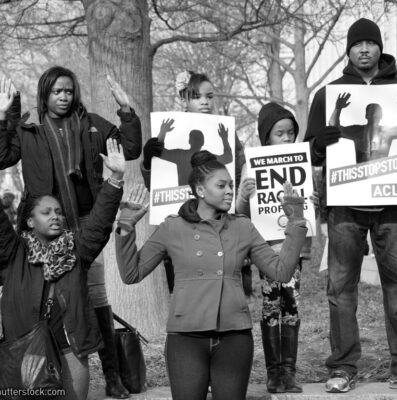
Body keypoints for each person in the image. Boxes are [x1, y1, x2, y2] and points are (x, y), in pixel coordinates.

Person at [114, 150, 307, 400]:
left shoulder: (242, 227)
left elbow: (281, 272)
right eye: (221, 185)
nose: (229, 191)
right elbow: (131, 273)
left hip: (234, 337)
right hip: (186, 338)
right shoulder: (172, 228)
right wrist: (126, 226)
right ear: (200, 190)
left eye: (231, 185)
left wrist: (296, 221)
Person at [0, 66, 142, 398]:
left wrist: (125, 110)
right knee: (43, 300)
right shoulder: (29, 128)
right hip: (40, 231)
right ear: (44, 94)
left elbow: (130, 149)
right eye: (56, 91)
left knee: (93, 298)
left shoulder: (91, 125)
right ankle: (36, 364)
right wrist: (4, 115)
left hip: (83, 227)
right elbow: (2, 155)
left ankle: (111, 374)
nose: (63, 97)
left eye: (68, 91)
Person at [304, 18, 397, 392]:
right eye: (357, 43)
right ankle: (342, 367)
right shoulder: (330, 94)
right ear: (348, 50)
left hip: (393, 207)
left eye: (370, 43)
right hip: (344, 206)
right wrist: (323, 136)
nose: (364, 49)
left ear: (380, 48)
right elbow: (310, 149)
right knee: (341, 288)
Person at [0, 139, 126, 400]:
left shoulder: (77, 248)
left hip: (71, 349)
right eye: (46, 212)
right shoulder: (14, 252)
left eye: (58, 212)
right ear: (30, 221)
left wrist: (115, 178)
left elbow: (100, 222)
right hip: (25, 351)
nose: (56, 216)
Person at [140, 70, 248, 294]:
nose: (205, 102)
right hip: (182, 222)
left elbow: (236, 169)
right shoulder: (176, 149)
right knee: (186, 288)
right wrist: (150, 156)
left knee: (220, 284)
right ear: (185, 99)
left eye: (209, 96)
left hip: (217, 224)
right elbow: (156, 183)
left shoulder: (227, 134)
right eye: (197, 97)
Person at [236, 102, 310, 394]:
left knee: (291, 307)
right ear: (266, 136)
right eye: (280, 133)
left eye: (291, 133)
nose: (287, 139)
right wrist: (244, 196)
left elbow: (308, 210)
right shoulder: (250, 166)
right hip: (265, 249)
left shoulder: (298, 163)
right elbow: (241, 211)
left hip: (293, 249)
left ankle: (289, 372)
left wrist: (310, 206)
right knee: (270, 309)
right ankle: (273, 373)